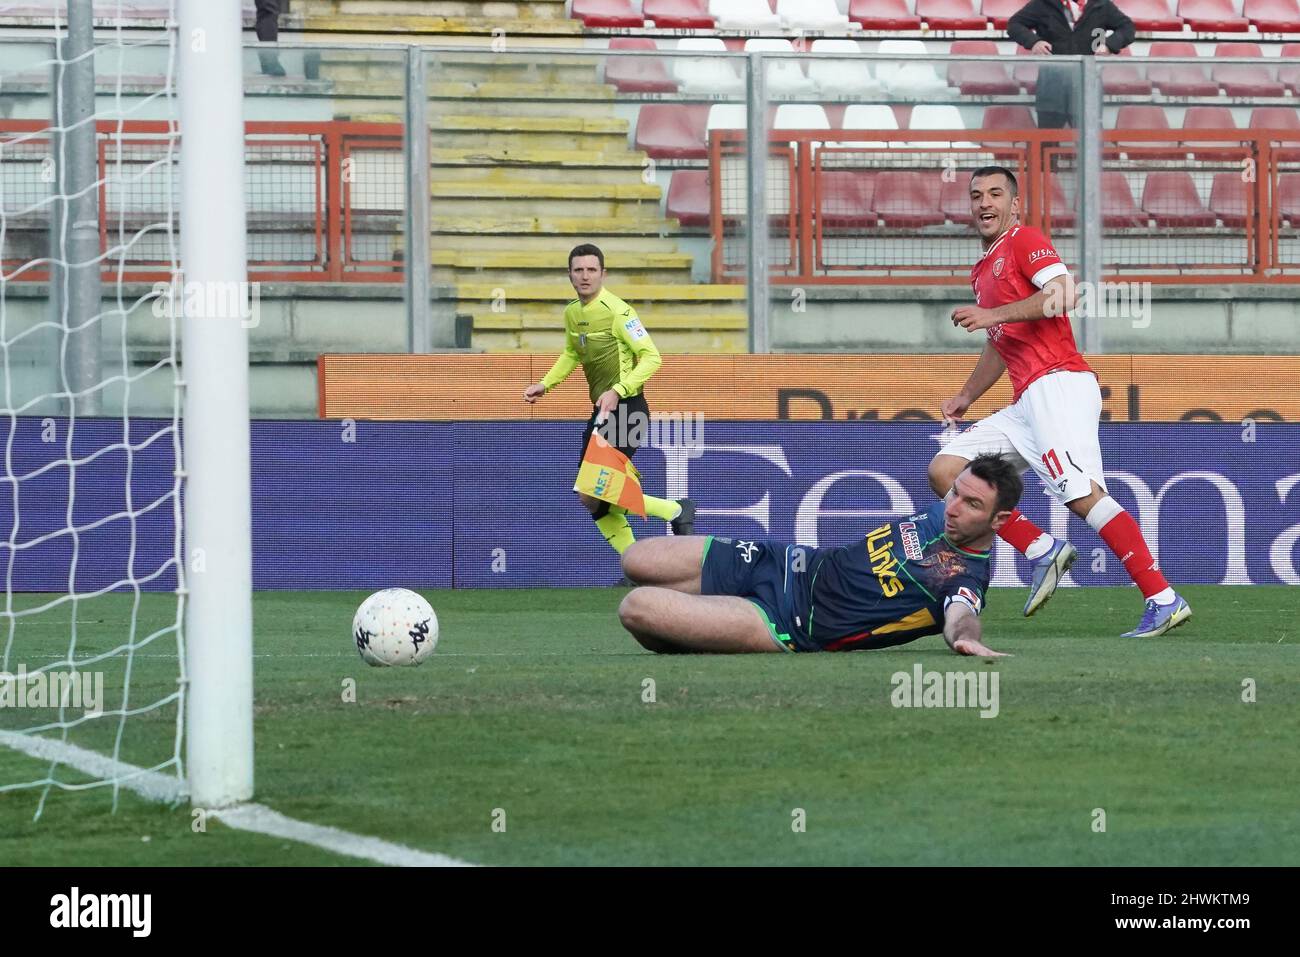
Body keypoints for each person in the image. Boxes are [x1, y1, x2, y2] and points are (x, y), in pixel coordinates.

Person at [929, 166, 1191, 639]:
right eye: (975, 196)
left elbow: (1063, 294)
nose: (983, 203)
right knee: (947, 469)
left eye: (994, 194)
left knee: (1081, 494)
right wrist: (968, 394)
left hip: (1058, 383)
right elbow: (999, 340)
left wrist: (993, 312)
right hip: (1025, 400)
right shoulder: (982, 268)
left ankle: (1163, 599)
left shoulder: (1025, 239)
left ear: (1014, 205)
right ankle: (1042, 550)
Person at [617, 454, 1021, 657]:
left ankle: (704, 629)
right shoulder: (946, 510)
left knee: (636, 607)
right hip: (786, 561)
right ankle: (697, 624)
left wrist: (966, 641)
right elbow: (945, 470)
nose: (952, 506)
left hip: (787, 623)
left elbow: (961, 616)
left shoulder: (964, 576)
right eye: (955, 493)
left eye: (971, 504)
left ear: (999, 519)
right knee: (636, 559)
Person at [523, 244, 694, 566]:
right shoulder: (572, 312)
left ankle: (675, 511)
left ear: (603, 273)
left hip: (628, 411)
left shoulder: (619, 312)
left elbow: (652, 357)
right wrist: (546, 384)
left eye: (591, 270)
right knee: (592, 499)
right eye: (578, 270)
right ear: (569, 274)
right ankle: (638, 557)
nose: (585, 276)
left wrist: (618, 389)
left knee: (596, 491)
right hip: (603, 414)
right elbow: (573, 353)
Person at [1008, 0, 1136, 129]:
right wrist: (1034, 42)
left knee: (1089, 138)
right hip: (1051, 85)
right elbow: (1014, 24)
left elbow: (1127, 28)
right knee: (1047, 140)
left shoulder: (1102, 4)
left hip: (1087, 84)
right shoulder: (1043, 3)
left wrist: (1109, 45)